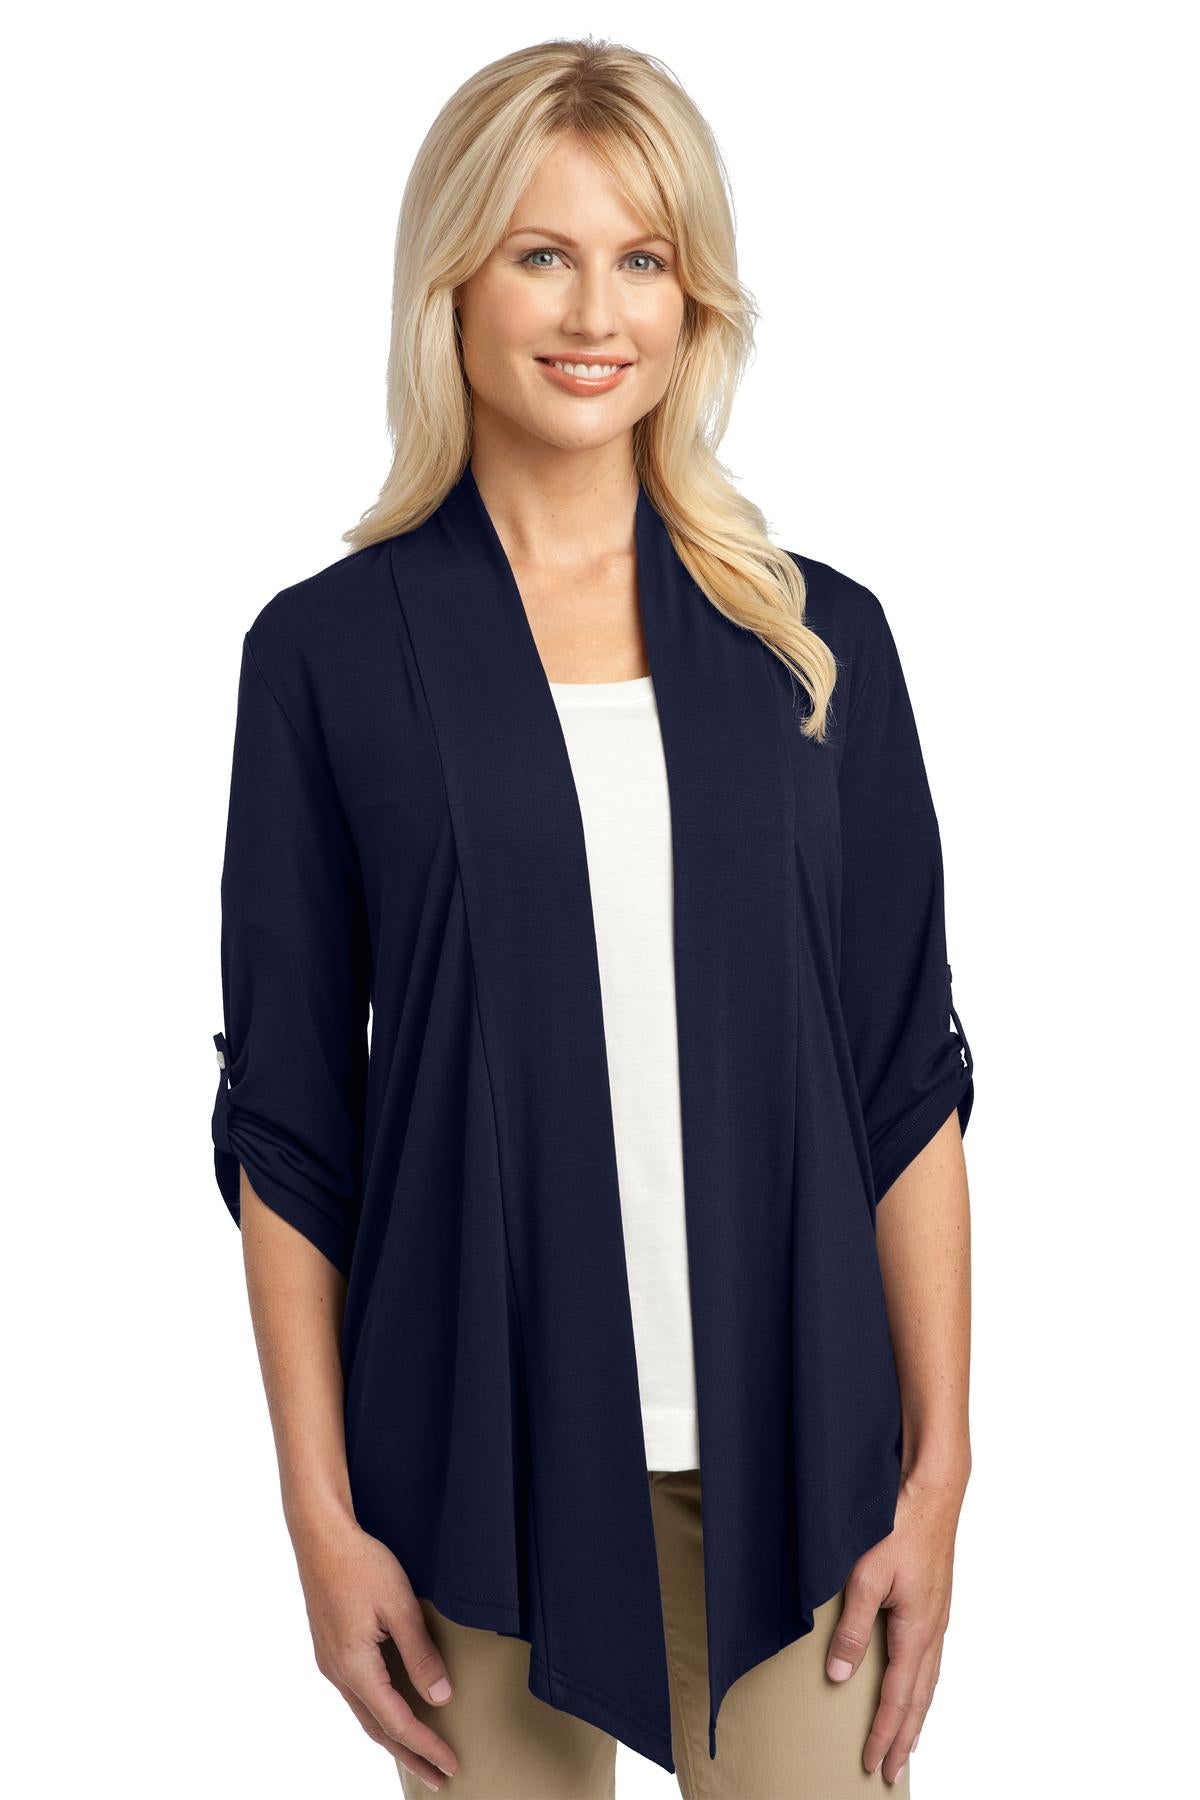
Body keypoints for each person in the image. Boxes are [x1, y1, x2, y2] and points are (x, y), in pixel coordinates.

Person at [210, 35, 975, 1800]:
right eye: (540, 252)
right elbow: (291, 1127)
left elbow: (905, 1082)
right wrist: (320, 1521)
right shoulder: (327, 658)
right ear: (453, 279)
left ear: (694, 299)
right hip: (467, 1468)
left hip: (803, 1465)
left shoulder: (814, 643)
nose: (593, 312)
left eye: (642, 258)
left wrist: (937, 1479)